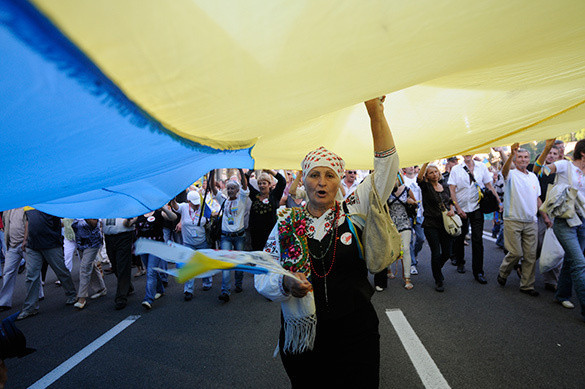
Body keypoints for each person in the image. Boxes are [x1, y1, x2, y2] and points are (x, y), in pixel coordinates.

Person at [255, 97, 398, 388]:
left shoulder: (353, 212)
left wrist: (375, 113)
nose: (322, 182)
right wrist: (285, 284)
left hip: (356, 332)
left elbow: (385, 168)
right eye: (314, 175)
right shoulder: (286, 222)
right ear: (304, 182)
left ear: (340, 182)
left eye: (329, 175)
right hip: (304, 337)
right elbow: (264, 274)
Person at [540, 139, 585, 318]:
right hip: (564, 220)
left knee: (571, 261)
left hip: (582, 221)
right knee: (580, 263)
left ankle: (561, 295)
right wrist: (545, 157)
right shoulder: (565, 165)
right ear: (583, 153)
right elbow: (542, 170)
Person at [496, 143, 542, 297]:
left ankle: (527, 285)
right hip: (513, 219)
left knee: (530, 256)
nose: (523, 160)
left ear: (529, 159)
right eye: (520, 157)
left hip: (530, 221)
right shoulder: (511, 174)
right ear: (515, 160)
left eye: (526, 157)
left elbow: (537, 199)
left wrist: (545, 216)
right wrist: (509, 154)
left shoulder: (533, 177)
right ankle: (503, 273)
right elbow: (504, 170)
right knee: (515, 252)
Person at [448, 155, 502, 283]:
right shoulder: (456, 169)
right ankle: (460, 261)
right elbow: (452, 190)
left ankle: (478, 272)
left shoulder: (481, 167)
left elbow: (489, 186)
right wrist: (458, 208)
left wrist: (498, 202)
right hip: (461, 208)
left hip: (477, 207)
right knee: (460, 237)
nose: (468, 154)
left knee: (477, 240)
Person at [17, 209, 77, 320]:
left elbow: (60, 218)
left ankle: (72, 294)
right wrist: (25, 239)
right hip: (33, 245)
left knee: (61, 270)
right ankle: (30, 308)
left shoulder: (48, 201)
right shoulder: (28, 203)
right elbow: (28, 222)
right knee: (31, 276)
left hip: (51, 244)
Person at [209, 170, 249, 302]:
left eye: (233, 188)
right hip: (225, 236)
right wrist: (212, 172)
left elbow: (244, 184)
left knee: (238, 262)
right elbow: (212, 188)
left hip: (239, 236)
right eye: (229, 188)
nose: (230, 190)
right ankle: (225, 291)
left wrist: (240, 171)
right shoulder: (223, 200)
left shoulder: (242, 199)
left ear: (237, 190)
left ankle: (238, 284)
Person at [129, 206, 176, 310]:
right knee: (152, 271)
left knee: (150, 272)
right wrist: (129, 216)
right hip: (143, 246)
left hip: (156, 246)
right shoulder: (139, 214)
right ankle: (160, 289)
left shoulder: (159, 213)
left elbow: (173, 217)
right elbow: (127, 224)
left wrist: (164, 208)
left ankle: (148, 299)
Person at [417, 163, 455, 292]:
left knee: (447, 253)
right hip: (431, 224)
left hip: (446, 224)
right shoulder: (426, 187)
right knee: (436, 252)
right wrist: (425, 163)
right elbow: (419, 178)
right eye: (431, 172)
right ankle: (438, 280)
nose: (435, 174)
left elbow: (450, 201)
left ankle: (437, 267)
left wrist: (452, 209)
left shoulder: (444, 186)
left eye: (436, 172)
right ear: (427, 176)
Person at [374, 174, 416, 291]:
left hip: (404, 222)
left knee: (405, 249)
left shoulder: (407, 189)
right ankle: (388, 269)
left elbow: (416, 204)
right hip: (390, 223)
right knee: (389, 248)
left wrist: (412, 202)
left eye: (395, 177)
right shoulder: (386, 191)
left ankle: (407, 278)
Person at [71, 218, 107, 309]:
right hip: (81, 244)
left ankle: (81, 297)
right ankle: (101, 288)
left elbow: (94, 223)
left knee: (85, 268)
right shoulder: (74, 211)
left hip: (92, 243)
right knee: (91, 265)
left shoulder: (90, 209)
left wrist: (85, 214)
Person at [246, 169, 286, 251]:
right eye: (259, 183)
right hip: (255, 234)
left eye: (264, 183)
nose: (262, 185)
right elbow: (245, 182)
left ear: (269, 184)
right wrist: (251, 171)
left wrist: (270, 171)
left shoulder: (274, 196)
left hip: (270, 235)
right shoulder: (255, 195)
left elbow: (282, 181)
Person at [101, 218, 136, 310]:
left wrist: (129, 221)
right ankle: (127, 286)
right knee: (114, 264)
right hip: (109, 237)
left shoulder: (126, 205)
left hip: (124, 235)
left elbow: (133, 218)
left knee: (123, 264)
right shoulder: (105, 207)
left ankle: (121, 297)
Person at [0, 208, 27, 311]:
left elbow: (29, 223)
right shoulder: (8, 208)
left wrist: (26, 239)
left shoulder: (25, 207)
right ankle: (4, 302)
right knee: (8, 272)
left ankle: (38, 294)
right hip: (12, 245)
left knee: (32, 271)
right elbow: (4, 223)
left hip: (26, 244)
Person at [402, 166, 425, 275]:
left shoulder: (419, 179)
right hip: (408, 214)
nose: (411, 167)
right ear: (404, 169)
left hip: (420, 214)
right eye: (408, 165)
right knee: (409, 240)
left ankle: (414, 254)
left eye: (413, 165)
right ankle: (412, 264)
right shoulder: (402, 180)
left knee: (421, 238)